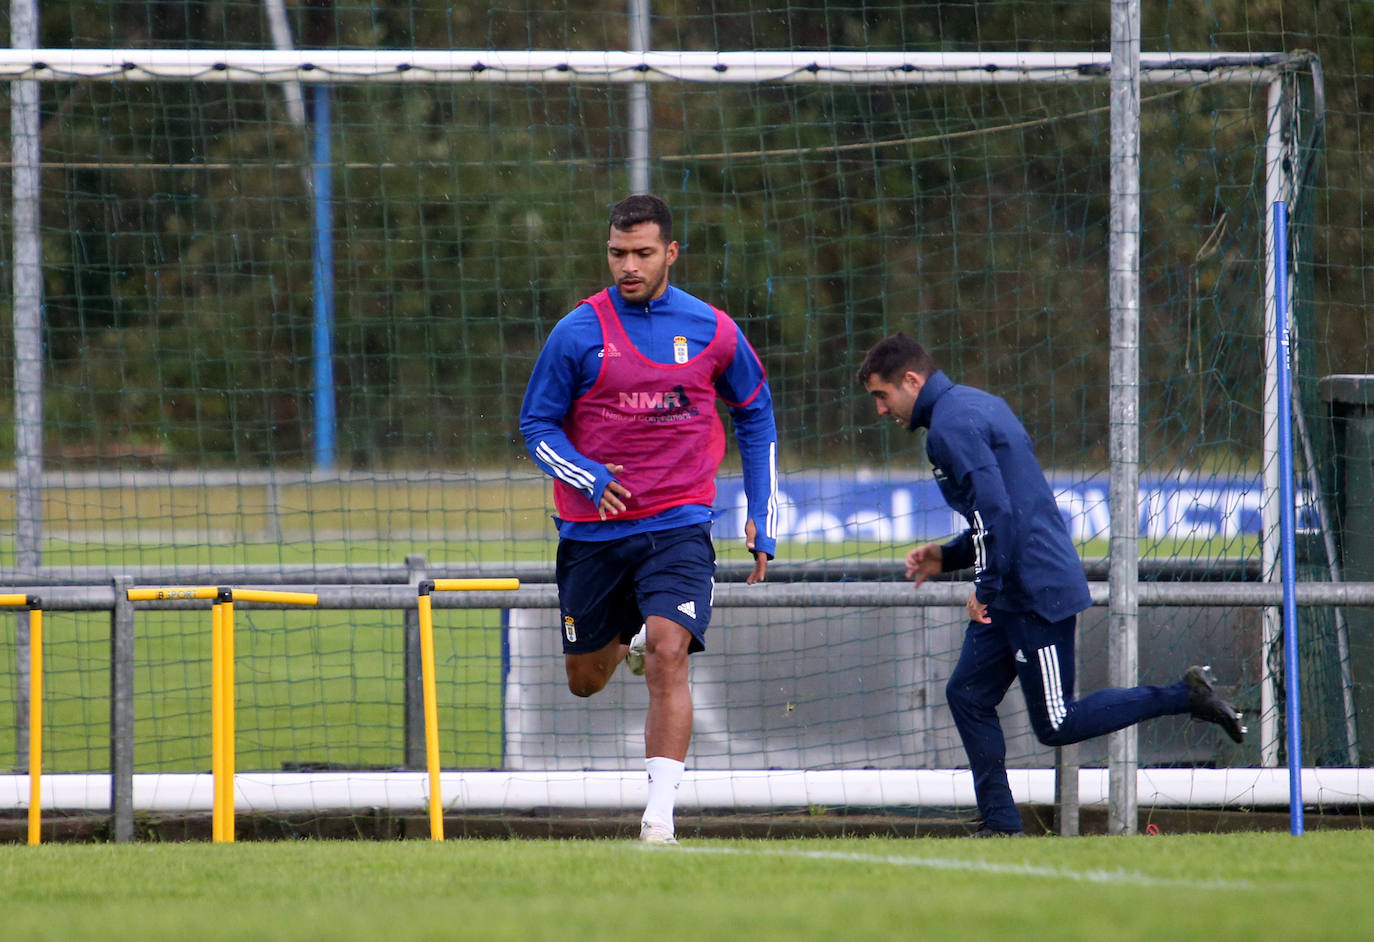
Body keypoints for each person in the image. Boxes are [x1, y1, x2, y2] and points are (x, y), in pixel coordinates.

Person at [857, 333, 1245, 837]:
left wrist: (986, 586)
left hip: (1034, 590)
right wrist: (949, 556)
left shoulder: (949, 427)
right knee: (968, 694)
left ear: (911, 380)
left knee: (1057, 722)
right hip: (1017, 581)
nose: (881, 410)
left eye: (881, 396)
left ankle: (1185, 695)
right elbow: (1003, 509)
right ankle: (1000, 823)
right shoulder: (976, 405)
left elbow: (1001, 512)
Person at [520, 194, 778, 845]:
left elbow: (755, 410)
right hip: (592, 534)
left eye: (641, 253)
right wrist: (589, 475)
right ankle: (623, 641)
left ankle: (658, 819)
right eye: (617, 253)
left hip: (680, 524)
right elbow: (536, 426)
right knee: (585, 682)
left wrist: (761, 514)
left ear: (670, 252)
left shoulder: (714, 329)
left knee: (670, 654)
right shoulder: (576, 332)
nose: (627, 266)